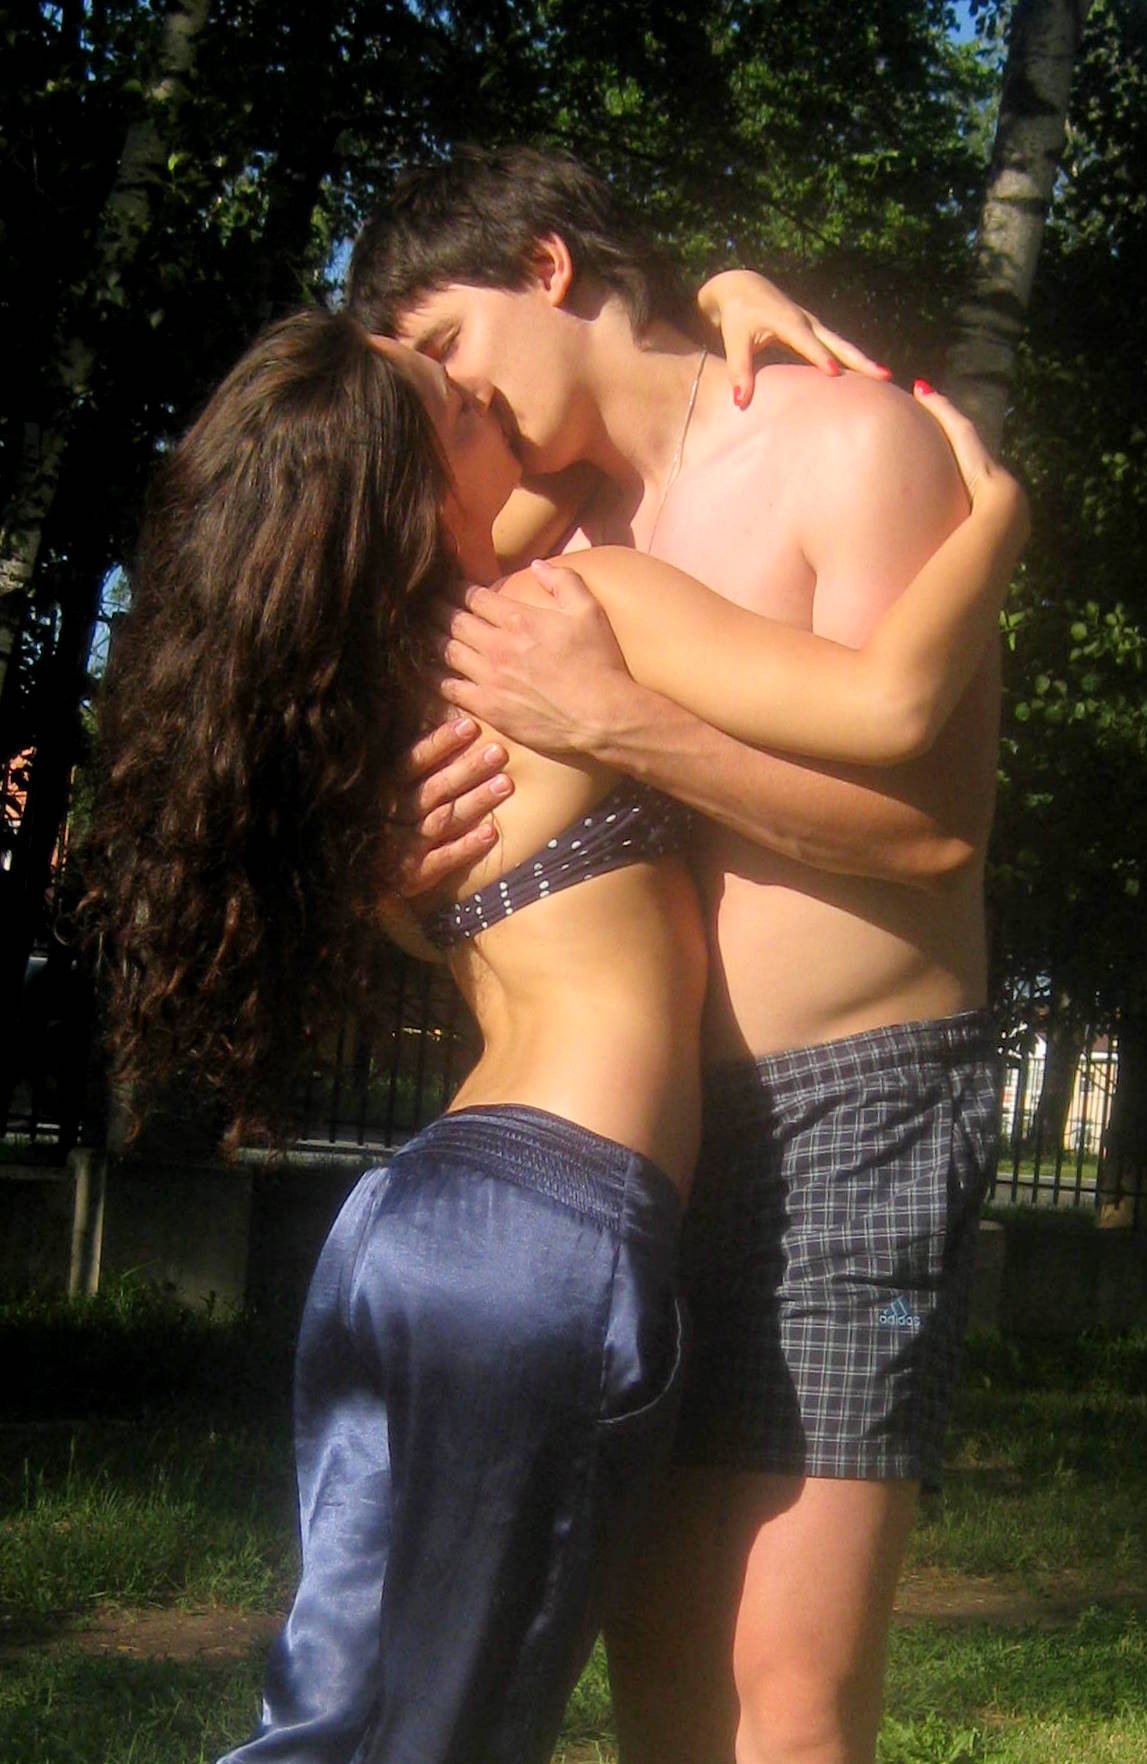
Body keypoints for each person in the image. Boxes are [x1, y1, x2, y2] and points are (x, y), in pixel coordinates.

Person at [87, 296, 1024, 1761]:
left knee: (331, 1714)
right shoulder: (579, 615)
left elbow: (606, 425)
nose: (493, 412)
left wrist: (713, 294)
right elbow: (895, 704)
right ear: (413, 496)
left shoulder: (365, 699)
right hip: (548, 1241)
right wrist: (1004, 520)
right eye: (452, 405)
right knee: (452, 1729)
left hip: (409, 1225)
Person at [350, 144, 1013, 1764]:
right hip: (640, 1148)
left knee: (784, 1700)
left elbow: (929, 835)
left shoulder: (846, 441)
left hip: (850, 1109)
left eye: (450, 348)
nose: (455, 407)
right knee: (658, 1691)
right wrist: (390, 877)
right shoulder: (549, 525)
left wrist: (624, 725)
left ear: (549, 268)